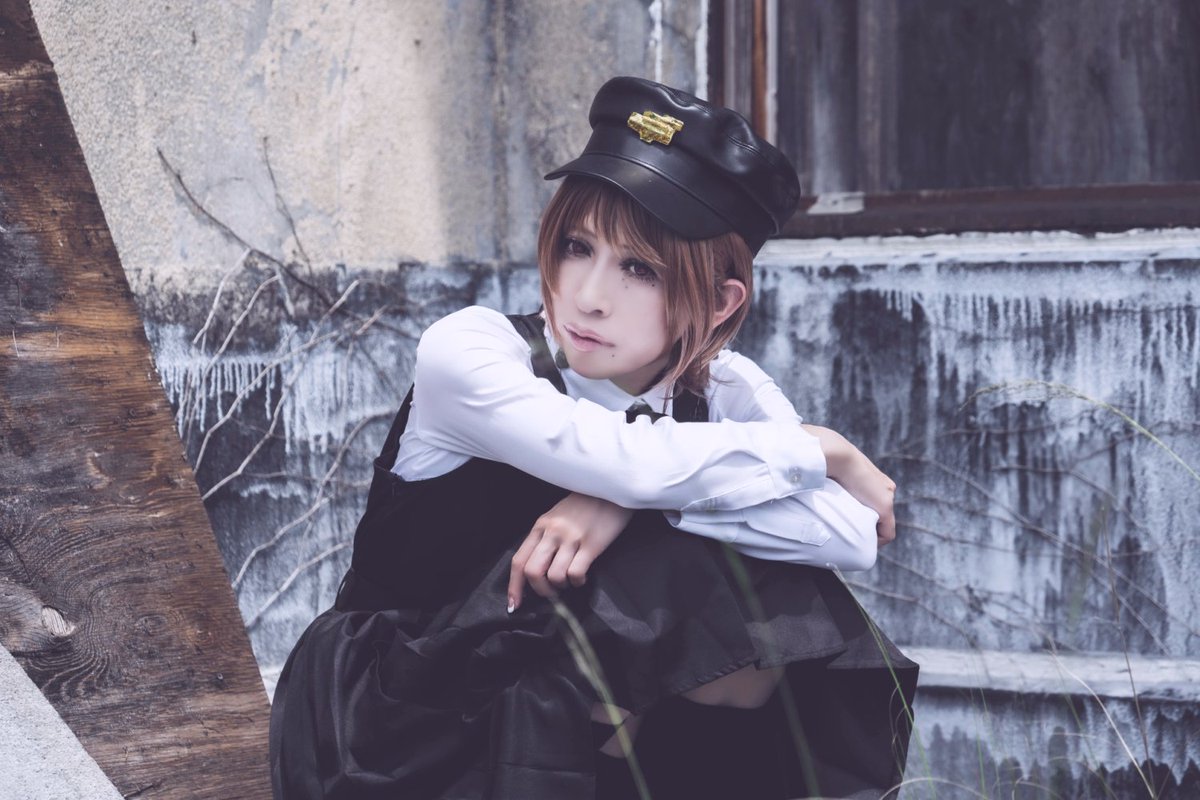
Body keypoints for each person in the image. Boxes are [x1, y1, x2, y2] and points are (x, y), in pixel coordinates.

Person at [269, 76, 918, 800]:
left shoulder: (725, 388)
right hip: (395, 721)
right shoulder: (472, 352)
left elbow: (847, 534)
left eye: (638, 267)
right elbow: (630, 465)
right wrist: (822, 447)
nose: (587, 295)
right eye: (578, 247)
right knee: (655, 580)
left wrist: (622, 507)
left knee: (755, 597)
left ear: (718, 301)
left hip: (567, 723)